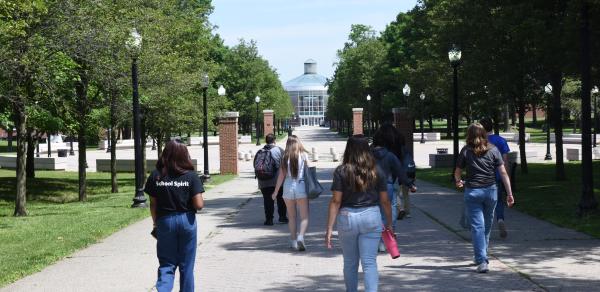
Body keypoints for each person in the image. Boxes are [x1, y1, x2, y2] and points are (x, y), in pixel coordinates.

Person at [326, 135, 393, 292]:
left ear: (348, 149)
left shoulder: (341, 171)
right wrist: (389, 223)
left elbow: (336, 201)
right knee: (369, 262)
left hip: (347, 217)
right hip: (371, 216)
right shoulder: (377, 170)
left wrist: (329, 228)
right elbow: (385, 201)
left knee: (350, 262)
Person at [145, 140, 205, 291]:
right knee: (186, 266)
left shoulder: (156, 176)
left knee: (166, 264)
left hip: (164, 221)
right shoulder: (191, 176)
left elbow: (153, 204)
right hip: (187, 221)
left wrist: (155, 224)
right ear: (185, 155)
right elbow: (199, 205)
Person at [454, 124, 515, 273]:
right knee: (486, 226)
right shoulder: (494, 149)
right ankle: (481, 256)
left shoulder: (466, 151)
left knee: (478, 227)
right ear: (484, 134)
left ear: (469, 134)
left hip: (473, 192)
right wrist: (509, 193)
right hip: (491, 192)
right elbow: (503, 173)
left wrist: (458, 181)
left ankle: (481, 259)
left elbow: (457, 172)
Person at [370, 124, 416, 251]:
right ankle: (388, 238)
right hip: (389, 184)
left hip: (372, 186)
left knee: (375, 213)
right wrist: (410, 184)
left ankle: (377, 239)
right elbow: (401, 171)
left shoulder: (369, 154)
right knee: (390, 210)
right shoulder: (392, 154)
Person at [272, 135, 310, 251]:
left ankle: (293, 242)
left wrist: (276, 191)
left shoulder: (285, 157)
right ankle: (301, 237)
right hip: (301, 185)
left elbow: (281, 176)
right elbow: (308, 172)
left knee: (292, 217)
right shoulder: (304, 155)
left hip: (288, 187)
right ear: (298, 143)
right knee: (304, 217)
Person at [480, 118, 511, 238]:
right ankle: (500, 219)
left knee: (482, 203)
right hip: (497, 176)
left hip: (482, 176)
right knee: (498, 201)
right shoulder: (501, 141)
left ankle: (482, 227)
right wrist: (506, 177)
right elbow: (505, 160)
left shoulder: (480, 141)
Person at [255, 133, 287, 226]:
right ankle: (282, 217)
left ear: (266, 141)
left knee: (267, 200)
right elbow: (284, 165)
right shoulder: (279, 150)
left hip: (263, 181)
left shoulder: (259, 151)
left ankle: (269, 220)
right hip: (277, 181)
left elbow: (255, 165)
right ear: (274, 140)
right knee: (280, 199)